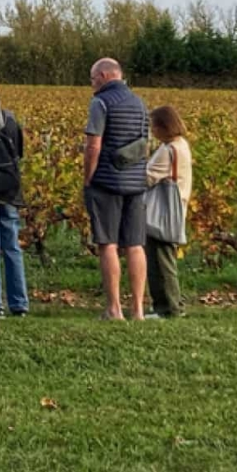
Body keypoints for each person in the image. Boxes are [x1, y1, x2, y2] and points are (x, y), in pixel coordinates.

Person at [83, 57, 149, 321]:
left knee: (107, 243)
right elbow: (144, 143)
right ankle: (139, 309)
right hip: (136, 183)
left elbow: (93, 145)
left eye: (92, 79)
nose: (91, 85)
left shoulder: (100, 102)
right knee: (135, 245)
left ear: (103, 76)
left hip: (107, 182)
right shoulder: (140, 103)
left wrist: (89, 177)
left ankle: (114, 309)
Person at [144, 105, 193, 319]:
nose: (152, 131)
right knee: (163, 258)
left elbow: (148, 177)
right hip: (176, 207)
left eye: (154, 126)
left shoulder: (168, 150)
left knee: (161, 261)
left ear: (165, 126)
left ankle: (170, 308)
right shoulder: (181, 145)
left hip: (163, 212)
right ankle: (165, 306)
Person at [0, 108, 29, 317]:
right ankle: (19, 303)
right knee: (12, 246)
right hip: (11, 187)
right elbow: (19, 152)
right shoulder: (10, 118)